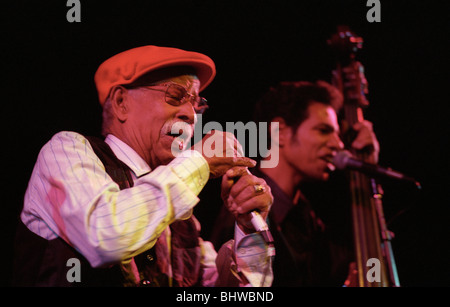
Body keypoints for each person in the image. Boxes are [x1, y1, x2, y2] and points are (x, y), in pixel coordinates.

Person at [13, 45, 274, 287]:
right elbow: (104, 238)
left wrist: (248, 230)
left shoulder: (181, 218)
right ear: (121, 103)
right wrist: (198, 161)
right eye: (176, 95)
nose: (191, 115)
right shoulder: (66, 150)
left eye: (196, 104)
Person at [210, 80, 380, 286]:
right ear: (280, 132)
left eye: (337, 133)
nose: (339, 144)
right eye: (324, 130)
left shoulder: (308, 220)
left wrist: (367, 169)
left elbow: (367, 264)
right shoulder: (242, 202)